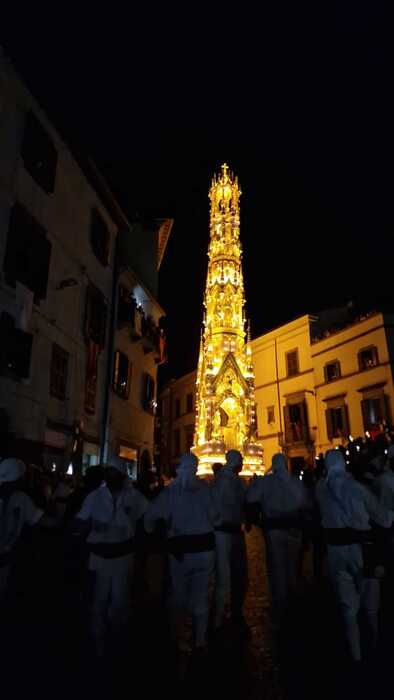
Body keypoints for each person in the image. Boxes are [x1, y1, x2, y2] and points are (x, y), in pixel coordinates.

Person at [316, 449, 393, 662]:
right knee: (370, 605)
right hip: (361, 550)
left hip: (335, 552)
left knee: (348, 606)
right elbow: (384, 518)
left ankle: (356, 655)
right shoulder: (357, 488)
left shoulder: (321, 489)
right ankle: (374, 647)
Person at [74, 458, 148, 657]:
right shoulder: (95, 497)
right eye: (108, 472)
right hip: (100, 557)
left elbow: (146, 520)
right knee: (99, 599)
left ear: (122, 474)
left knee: (119, 600)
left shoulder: (134, 497)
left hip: (123, 557)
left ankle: (116, 639)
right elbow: (80, 522)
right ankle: (98, 641)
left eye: (114, 472)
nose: (110, 476)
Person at [144, 453, 216, 653]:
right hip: (204, 550)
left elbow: (150, 517)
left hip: (181, 552)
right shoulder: (206, 491)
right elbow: (216, 516)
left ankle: (181, 638)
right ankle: (200, 639)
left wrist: (154, 530)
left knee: (180, 594)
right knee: (201, 595)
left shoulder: (170, 493)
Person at [247, 452, 308, 628]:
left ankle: (281, 608)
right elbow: (305, 502)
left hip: (274, 530)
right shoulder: (295, 482)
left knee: (277, 567)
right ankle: (293, 603)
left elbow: (250, 498)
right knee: (292, 566)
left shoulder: (266, 482)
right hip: (294, 528)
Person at [211, 449, 249, 634]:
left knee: (235, 574)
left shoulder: (229, 480)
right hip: (224, 532)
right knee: (226, 576)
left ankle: (230, 612)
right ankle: (219, 618)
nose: (242, 464)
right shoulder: (226, 482)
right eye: (241, 461)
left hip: (232, 531)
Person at [0, 458, 45, 602]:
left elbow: (36, 519)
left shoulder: (21, 498)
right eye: (19, 478)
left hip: (6, 557)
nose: (22, 482)